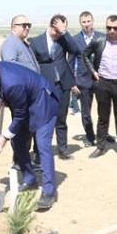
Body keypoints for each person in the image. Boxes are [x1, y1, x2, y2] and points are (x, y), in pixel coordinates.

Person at [0, 55, 59, 210]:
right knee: (18, 141)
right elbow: (0, 90)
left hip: (44, 104)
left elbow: (20, 115)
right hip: (27, 101)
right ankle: (30, 179)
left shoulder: (12, 84)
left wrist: (5, 136)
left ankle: (49, 192)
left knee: (42, 145)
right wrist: (2, 98)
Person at [82, 14, 117, 160]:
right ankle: (100, 147)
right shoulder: (98, 41)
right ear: (105, 27)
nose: (112, 30)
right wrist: (93, 72)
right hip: (103, 84)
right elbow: (85, 55)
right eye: (109, 28)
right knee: (103, 117)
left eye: (115, 28)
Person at [29, 15, 78, 159]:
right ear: (51, 26)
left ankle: (63, 149)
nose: (58, 34)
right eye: (57, 30)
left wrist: (64, 32)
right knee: (42, 119)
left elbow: (75, 49)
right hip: (44, 86)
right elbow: (32, 64)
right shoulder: (36, 41)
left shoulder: (63, 40)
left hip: (63, 85)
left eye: (61, 30)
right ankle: (39, 151)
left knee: (61, 118)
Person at [65, 11, 105, 147]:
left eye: (88, 21)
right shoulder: (74, 40)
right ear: (80, 23)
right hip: (83, 81)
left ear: (92, 21)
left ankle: (103, 135)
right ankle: (89, 137)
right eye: (84, 22)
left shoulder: (102, 37)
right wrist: (72, 83)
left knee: (103, 110)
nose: (86, 24)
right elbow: (70, 63)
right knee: (86, 112)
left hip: (101, 80)